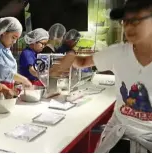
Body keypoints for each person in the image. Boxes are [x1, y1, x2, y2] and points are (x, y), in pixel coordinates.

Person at [57, 0, 152, 152]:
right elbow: (83, 62)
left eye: (135, 21)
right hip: (118, 135)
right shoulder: (118, 53)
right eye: (125, 21)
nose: (128, 27)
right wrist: (70, 58)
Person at [0, 17, 32, 92]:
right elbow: (1, 72)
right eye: (13, 37)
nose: (15, 42)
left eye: (16, 39)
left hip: (8, 91)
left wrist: (17, 82)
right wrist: (24, 79)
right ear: (3, 33)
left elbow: (11, 72)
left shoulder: (5, 49)